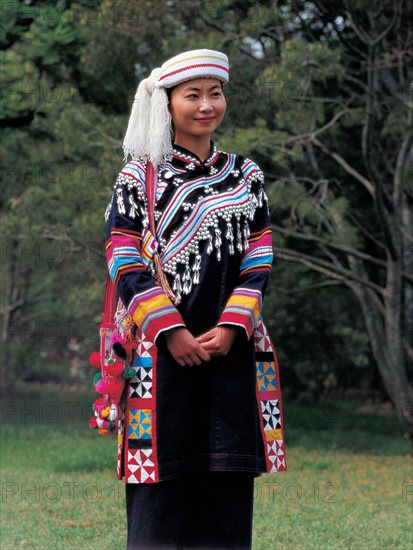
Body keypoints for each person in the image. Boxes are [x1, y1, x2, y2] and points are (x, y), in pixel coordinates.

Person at [105, 49, 286, 550]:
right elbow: (123, 256)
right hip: (160, 361)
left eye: (216, 93)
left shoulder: (244, 175)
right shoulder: (138, 178)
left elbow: (260, 255)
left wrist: (233, 326)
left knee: (227, 500)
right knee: (159, 500)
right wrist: (171, 330)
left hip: (231, 356)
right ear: (167, 104)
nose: (207, 105)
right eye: (193, 95)